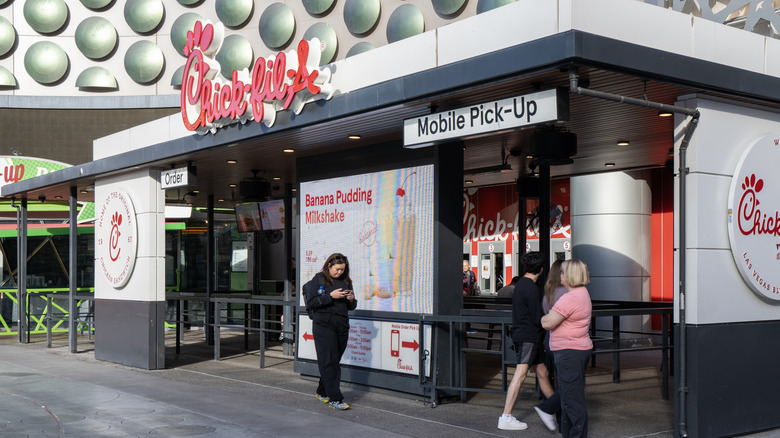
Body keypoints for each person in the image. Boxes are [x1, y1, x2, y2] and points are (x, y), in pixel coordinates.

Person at [498, 251, 555, 431]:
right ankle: (506, 416)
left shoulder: (521, 284)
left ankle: (556, 410)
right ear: (541, 268)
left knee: (542, 372)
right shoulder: (531, 288)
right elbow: (537, 316)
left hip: (528, 335)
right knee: (520, 374)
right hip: (529, 336)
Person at [542, 259, 593, 438]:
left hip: (569, 352)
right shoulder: (582, 292)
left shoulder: (571, 298)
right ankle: (567, 433)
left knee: (572, 401)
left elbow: (548, 322)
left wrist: (544, 318)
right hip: (576, 349)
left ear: (568, 276)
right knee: (568, 397)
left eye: (563, 273)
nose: (560, 276)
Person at [304, 253, 358, 410]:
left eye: (342, 269)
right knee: (328, 361)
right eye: (337, 269)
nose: (340, 272)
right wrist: (330, 296)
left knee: (333, 361)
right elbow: (312, 302)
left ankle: (322, 391)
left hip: (341, 325)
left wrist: (351, 299)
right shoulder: (319, 279)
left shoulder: (346, 282)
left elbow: (351, 307)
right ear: (329, 266)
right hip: (323, 325)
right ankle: (336, 398)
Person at [534, 259, 567, 432]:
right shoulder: (566, 293)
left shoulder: (549, 292)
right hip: (563, 339)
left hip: (550, 338)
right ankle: (548, 408)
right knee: (569, 382)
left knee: (562, 379)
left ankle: (559, 418)